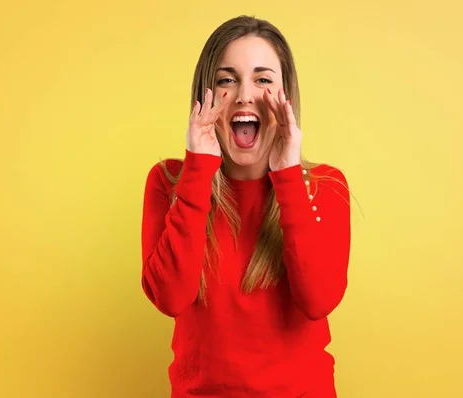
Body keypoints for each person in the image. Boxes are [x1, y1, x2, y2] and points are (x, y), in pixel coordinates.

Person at [140, 15, 351, 397]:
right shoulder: (169, 182)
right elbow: (170, 297)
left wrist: (287, 176)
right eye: (227, 79)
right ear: (205, 95)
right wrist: (198, 170)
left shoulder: (323, 187)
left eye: (263, 79)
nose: (244, 95)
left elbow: (318, 300)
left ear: (286, 97)